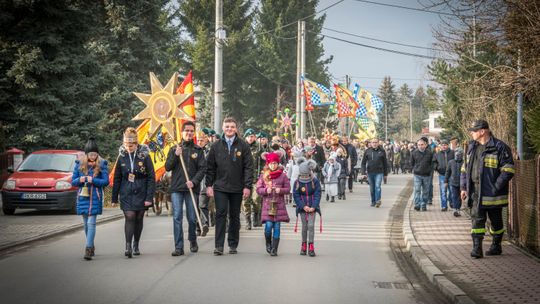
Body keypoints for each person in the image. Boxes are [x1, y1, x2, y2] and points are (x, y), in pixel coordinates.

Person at [460, 120, 514, 259]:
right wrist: (464, 187)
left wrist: (495, 187)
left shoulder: (500, 147)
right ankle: (477, 248)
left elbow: (508, 170)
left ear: (482, 131)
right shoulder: (472, 147)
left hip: (492, 194)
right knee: (477, 220)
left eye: (474, 130)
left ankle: (496, 245)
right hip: (475, 191)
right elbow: (464, 169)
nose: (471, 133)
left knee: (496, 221)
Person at [206, 117, 254, 255]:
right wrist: (209, 185)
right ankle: (219, 246)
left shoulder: (243, 145)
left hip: (237, 187)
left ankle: (233, 244)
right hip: (220, 187)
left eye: (232, 127)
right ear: (223, 128)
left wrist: (247, 186)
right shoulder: (215, 146)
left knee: (234, 216)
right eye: (227, 126)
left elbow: (248, 167)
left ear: (236, 129)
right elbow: (210, 168)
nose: (229, 129)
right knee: (220, 214)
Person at [112, 127, 156, 258]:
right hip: (126, 191)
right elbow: (117, 178)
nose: (128, 147)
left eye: (131, 144)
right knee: (130, 216)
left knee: (138, 218)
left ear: (136, 143)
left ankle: (136, 243)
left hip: (141, 190)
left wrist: (149, 197)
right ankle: (128, 246)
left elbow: (151, 177)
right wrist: (114, 198)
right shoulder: (122, 157)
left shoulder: (144, 156)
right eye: (126, 144)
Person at [165, 121, 206, 256]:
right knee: (177, 217)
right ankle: (179, 247)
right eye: (186, 131)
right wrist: (175, 155)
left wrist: (194, 182)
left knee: (192, 217)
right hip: (177, 188)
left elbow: (202, 169)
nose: (189, 133)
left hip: (191, 189)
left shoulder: (198, 150)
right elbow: (168, 167)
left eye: (191, 131)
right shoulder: (174, 149)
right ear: (182, 132)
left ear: (193, 133)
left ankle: (193, 240)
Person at [71, 138, 109, 260]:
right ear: (86, 154)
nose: (93, 156)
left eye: (95, 154)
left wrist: (94, 180)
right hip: (83, 196)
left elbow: (106, 181)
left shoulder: (102, 164)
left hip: (95, 197)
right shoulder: (79, 164)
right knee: (86, 224)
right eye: (90, 154)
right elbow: (73, 181)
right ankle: (91, 246)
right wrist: (80, 180)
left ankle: (87, 249)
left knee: (91, 223)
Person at [256, 152, 290, 256]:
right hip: (267, 205)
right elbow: (258, 189)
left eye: (275, 163)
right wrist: (266, 190)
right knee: (268, 227)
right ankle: (268, 243)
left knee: (277, 227)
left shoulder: (283, 175)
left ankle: (274, 248)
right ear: (268, 164)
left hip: (279, 205)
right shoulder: (263, 175)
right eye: (271, 163)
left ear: (278, 163)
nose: (273, 165)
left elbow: (288, 189)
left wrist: (281, 190)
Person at [293, 159, 321, 257]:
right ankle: (303, 244)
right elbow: (296, 195)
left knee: (311, 226)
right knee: (304, 226)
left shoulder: (315, 181)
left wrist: (313, 206)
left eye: (306, 175)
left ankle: (311, 245)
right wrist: (303, 206)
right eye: (303, 175)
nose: (304, 177)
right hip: (302, 208)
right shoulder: (297, 182)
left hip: (312, 207)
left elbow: (318, 194)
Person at [360, 138, 388, 207]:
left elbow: (385, 163)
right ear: (371, 143)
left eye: (376, 142)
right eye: (373, 142)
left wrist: (385, 174)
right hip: (370, 172)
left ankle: (378, 200)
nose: (374, 144)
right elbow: (363, 163)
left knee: (377, 186)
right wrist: (363, 173)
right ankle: (373, 201)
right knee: (372, 188)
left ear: (378, 143)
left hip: (379, 172)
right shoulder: (367, 151)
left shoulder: (382, 151)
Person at [242, 128, 259, 230]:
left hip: (256, 178)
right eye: (248, 136)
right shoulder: (242, 148)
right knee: (245, 200)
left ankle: (256, 214)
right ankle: (248, 220)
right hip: (244, 178)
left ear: (254, 137)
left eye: (252, 136)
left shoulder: (259, 148)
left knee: (256, 199)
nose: (250, 138)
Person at [411, 138, 433, 211]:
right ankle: (417, 204)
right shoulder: (414, 153)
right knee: (417, 190)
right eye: (419, 145)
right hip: (417, 174)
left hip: (427, 175)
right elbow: (412, 163)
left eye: (422, 144)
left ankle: (423, 204)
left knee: (425, 191)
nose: (420, 146)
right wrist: (414, 169)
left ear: (425, 145)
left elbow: (432, 163)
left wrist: (430, 170)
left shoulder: (429, 153)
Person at [433, 140, 455, 211]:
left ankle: (451, 201)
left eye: (445, 145)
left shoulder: (452, 153)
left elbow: (456, 161)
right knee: (443, 191)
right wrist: (437, 168)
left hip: (451, 175)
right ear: (440, 146)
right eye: (442, 145)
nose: (444, 146)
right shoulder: (437, 154)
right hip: (442, 174)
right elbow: (434, 162)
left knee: (451, 190)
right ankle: (444, 206)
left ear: (448, 145)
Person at [445, 148, 464, 217]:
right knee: (454, 196)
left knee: (459, 197)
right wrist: (446, 181)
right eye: (456, 154)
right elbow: (447, 172)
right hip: (453, 182)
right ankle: (455, 209)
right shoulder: (451, 162)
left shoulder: (464, 163)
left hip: (462, 183)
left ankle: (457, 209)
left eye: (459, 154)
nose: (457, 155)